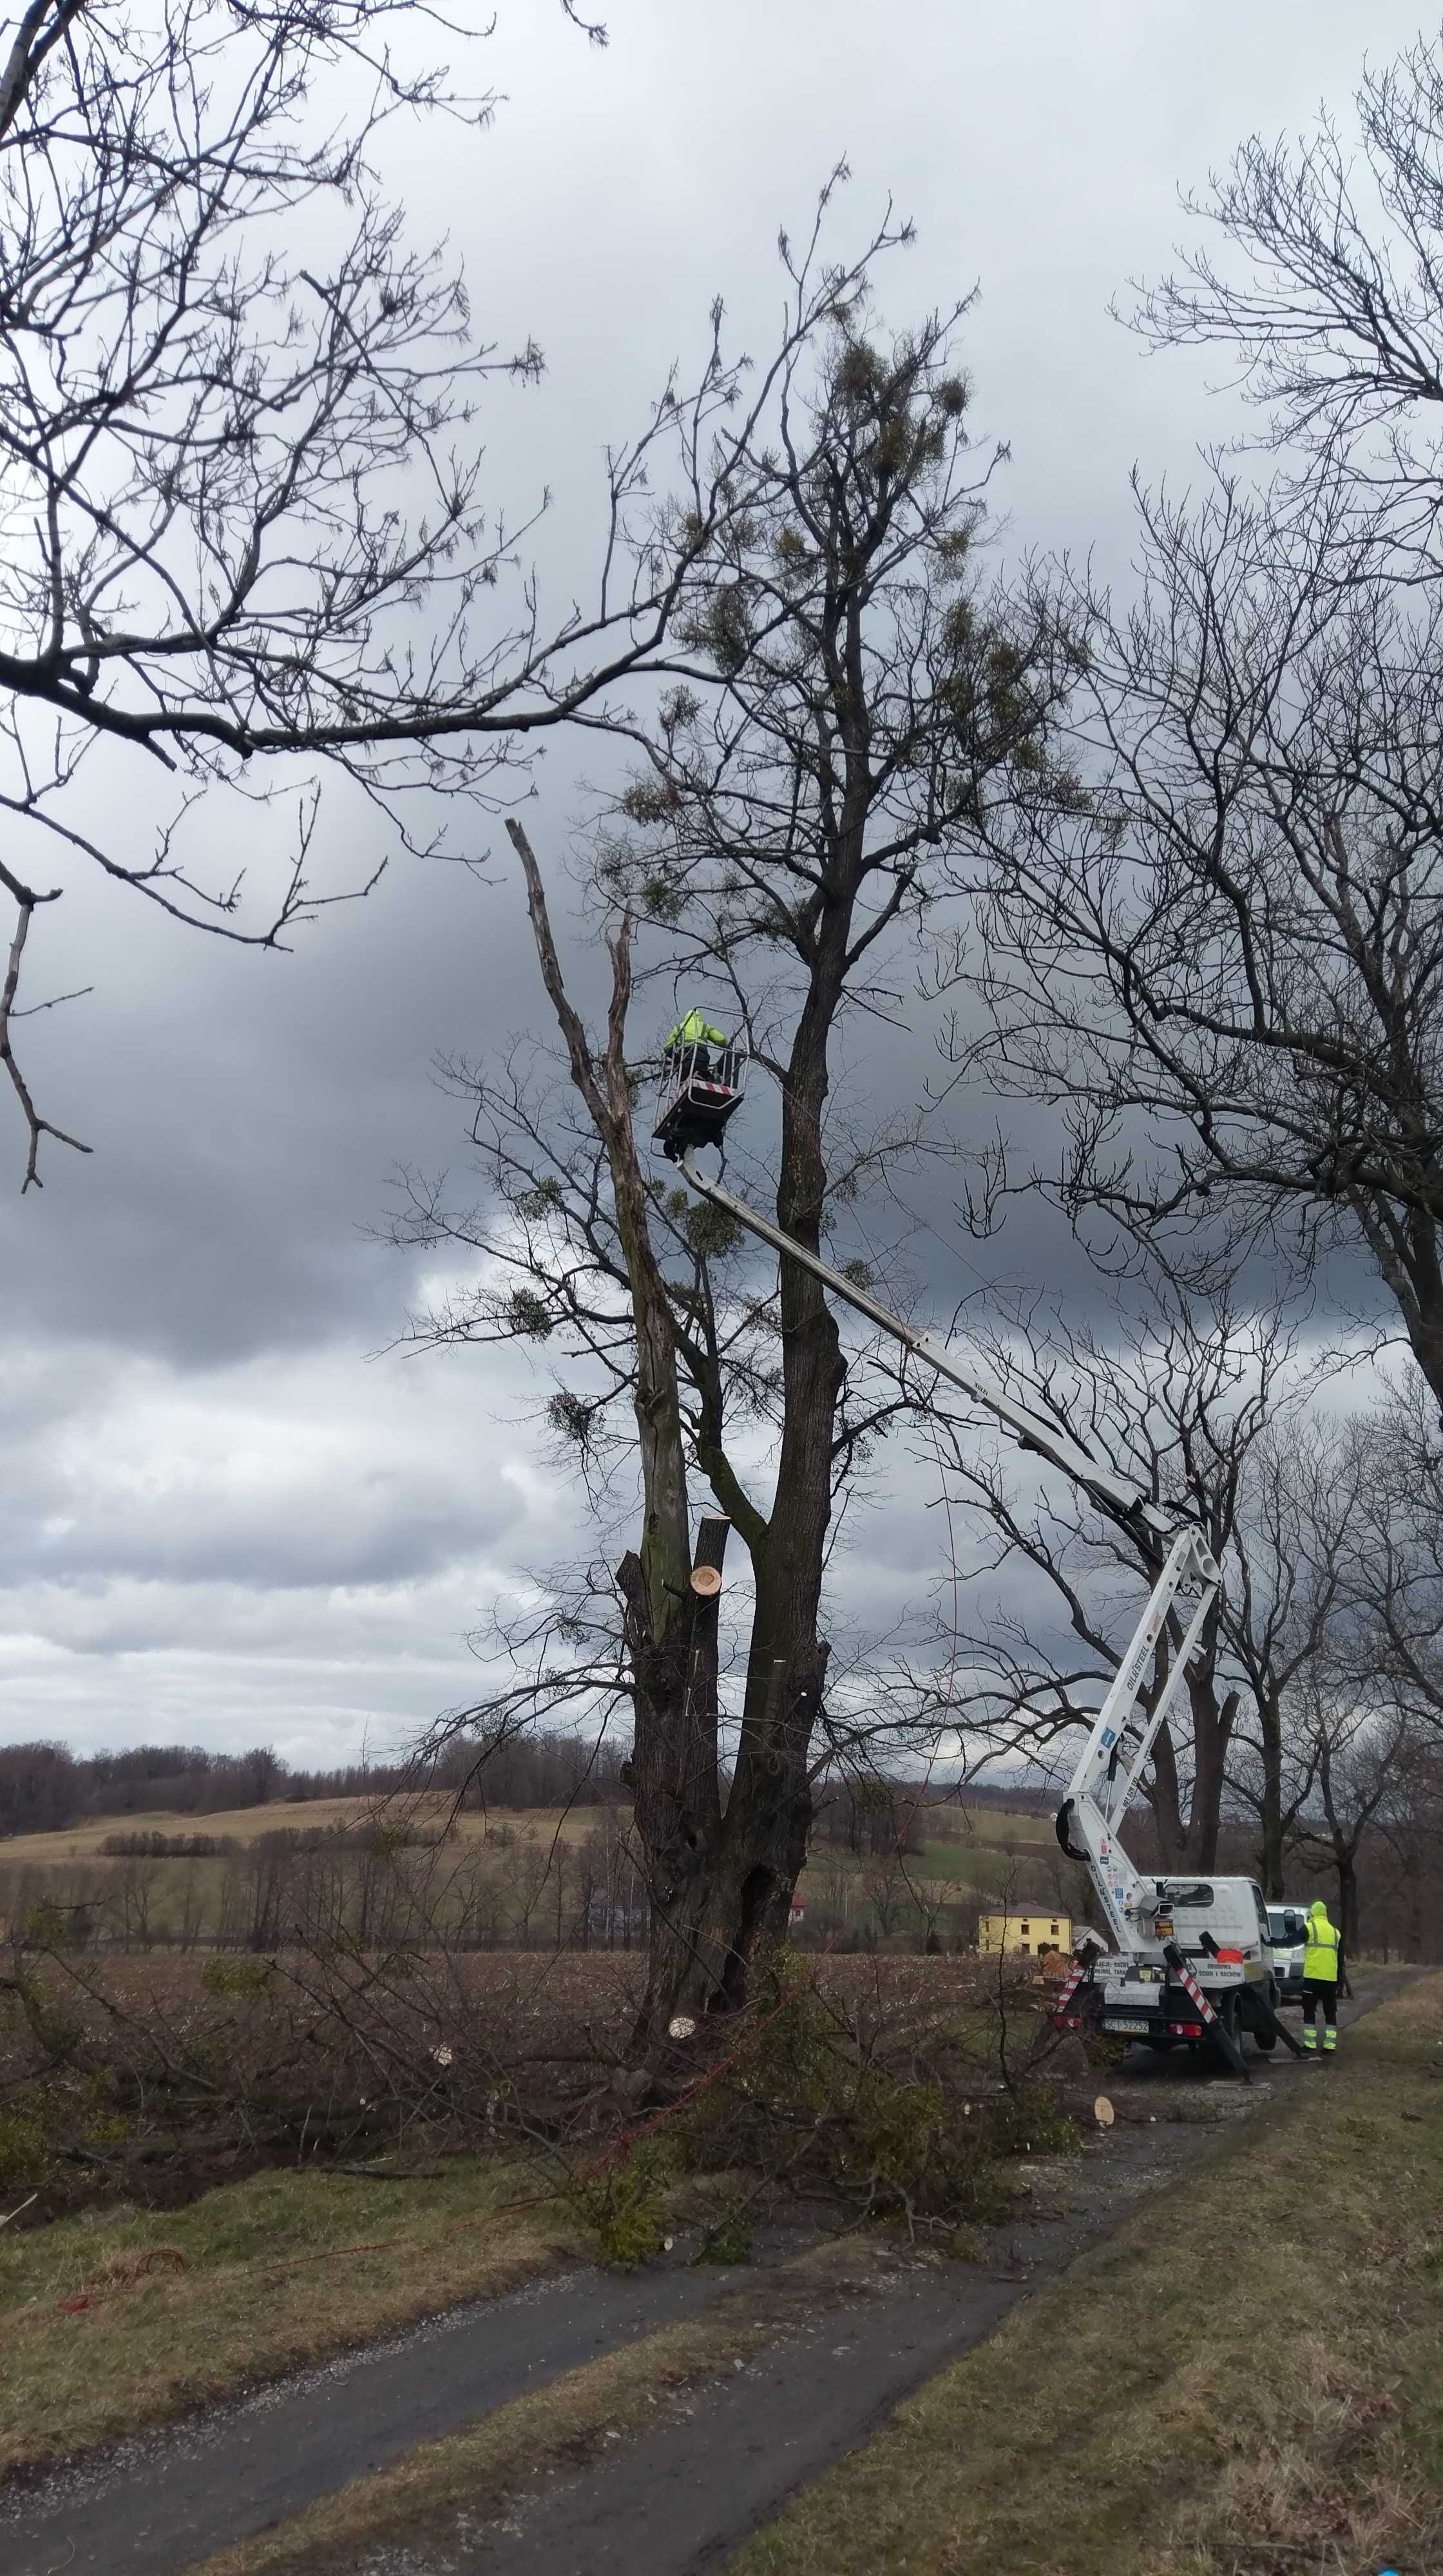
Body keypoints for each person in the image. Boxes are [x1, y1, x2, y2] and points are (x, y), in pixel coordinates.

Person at [1300, 1897, 1343, 2057]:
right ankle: (1330, 2046)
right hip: (1330, 1980)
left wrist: (1271, 1942)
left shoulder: (1309, 1928)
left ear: (1312, 1913)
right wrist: (1339, 1981)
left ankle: (1310, 2045)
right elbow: (1340, 1960)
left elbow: (1291, 1940)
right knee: (1330, 2012)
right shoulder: (1336, 1933)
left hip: (1312, 1978)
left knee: (1309, 2010)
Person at [664, 1008, 728, 1083]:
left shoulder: (678, 1029)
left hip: (686, 1062)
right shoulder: (705, 1027)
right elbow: (721, 1040)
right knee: (702, 1076)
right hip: (702, 1061)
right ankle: (701, 1075)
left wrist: (677, 1059)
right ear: (699, 1017)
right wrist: (729, 1047)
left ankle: (684, 1081)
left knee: (682, 1083)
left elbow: (667, 1047)